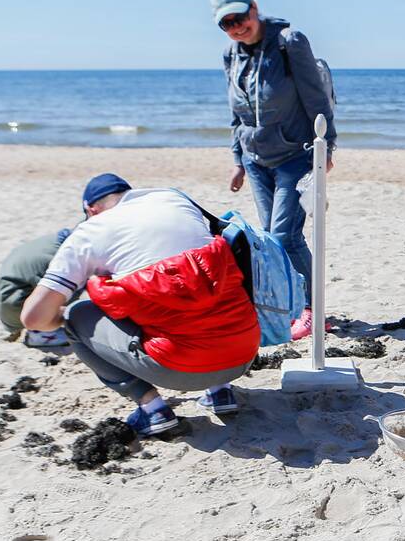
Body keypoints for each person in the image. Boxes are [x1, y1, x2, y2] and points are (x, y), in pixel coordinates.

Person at [21, 174, 261, 437]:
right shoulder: (174, 200)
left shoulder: (90, 231)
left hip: (180, 370)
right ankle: (220, 391)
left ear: (92, 210)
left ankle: (153, 408)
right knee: (203, 288)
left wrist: (60, 319)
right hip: (243, 355)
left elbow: (33, 318)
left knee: (79, 314)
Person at [211, 0, 335, 341]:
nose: (236, 26)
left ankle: (314, 311)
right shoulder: (230, 55)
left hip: (295, 156)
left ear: (254, 7)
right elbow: (237, 113)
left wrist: (327, 146)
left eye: (240, 16)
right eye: (226, 23)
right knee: (275, 239)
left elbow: (317, 99)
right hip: (256, 161)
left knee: (284, 235)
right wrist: (237, 159)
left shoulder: (289, 42)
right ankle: (298, 307)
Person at [0, 229, 73, 347]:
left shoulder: (49, 243)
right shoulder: (56, 256)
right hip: (17, 309)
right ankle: (41, 334)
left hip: (8, 305)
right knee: (68, 287)